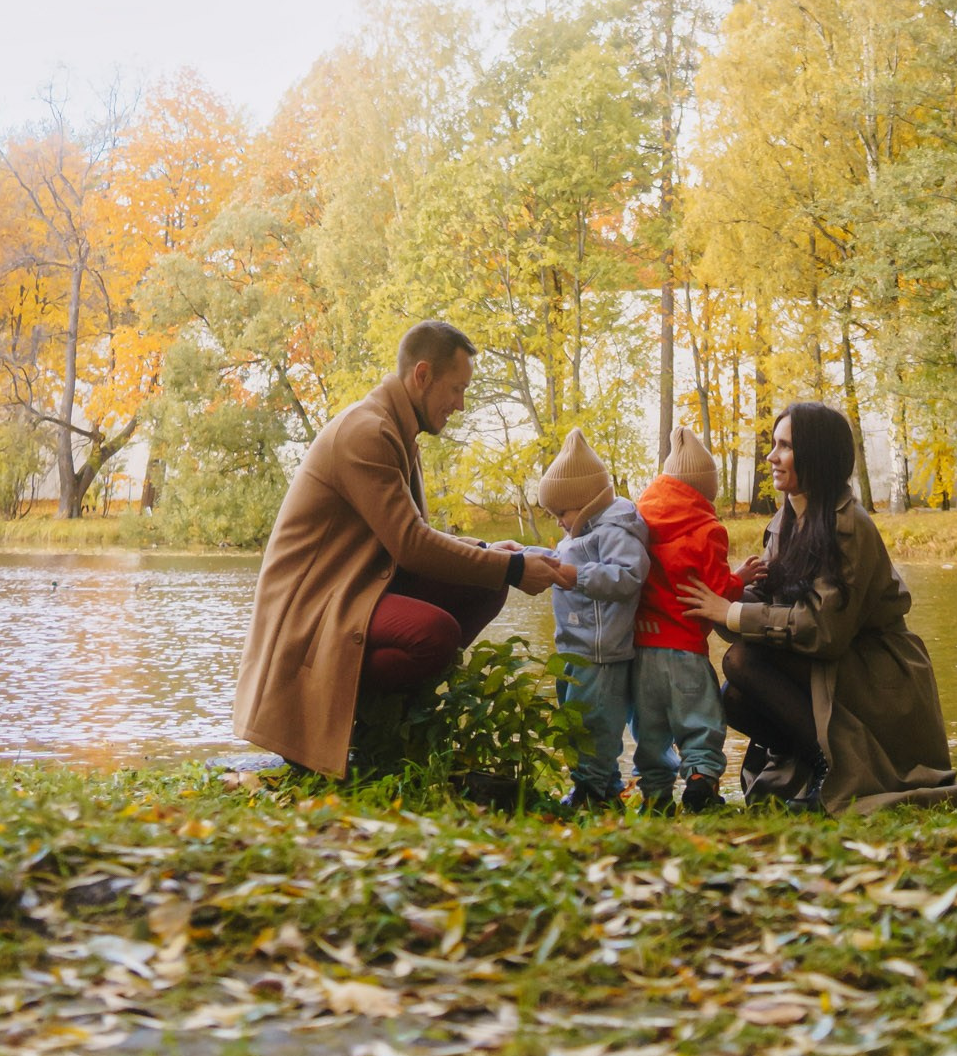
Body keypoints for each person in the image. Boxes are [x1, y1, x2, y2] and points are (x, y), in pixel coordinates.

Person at [233, 319, 571, 776]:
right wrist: (511, 567)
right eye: (456, 389)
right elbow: (411, 546)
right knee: (434, 634)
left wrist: (492, 552)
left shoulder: (395, 429)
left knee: (486, 587)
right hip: (313, 609)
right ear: (422, 375)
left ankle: (386, 729)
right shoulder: (366, 432)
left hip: (356, 588)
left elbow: (411, 534)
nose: (461, 404)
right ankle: (350, 728)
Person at [681, 400, 957, 813]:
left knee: (741, 661)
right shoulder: (785, 519)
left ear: (816, 455)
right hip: (828, 662)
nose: (771, 456)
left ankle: (832, 770)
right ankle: (812, 765)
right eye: (774, 444)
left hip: (871, 670)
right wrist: (720, 592)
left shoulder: (848, 525)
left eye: (785, 446)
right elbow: (770, 603)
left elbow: (825, 631)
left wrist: (731, 612)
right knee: (731, 698)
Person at [538, 428, 650, 813]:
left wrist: (579, 577)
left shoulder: (615, 529)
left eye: (562, 513)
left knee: (595, 724)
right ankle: (605, 788)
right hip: (575, 647)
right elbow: (562, 558)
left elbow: (630, 575)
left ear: (586, 504)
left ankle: (592, 791)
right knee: (575, 719)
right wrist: (525, 554)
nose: (559, 522)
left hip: (602, 652)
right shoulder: (579, 533)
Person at [631, 422, 741, 811]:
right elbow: (719, 592)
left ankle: (656, 796)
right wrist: (742, 579)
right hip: (685, 653)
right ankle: (700, 782)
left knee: (650, 732)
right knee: (701, 723)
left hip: (641, 653)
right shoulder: (707, 530)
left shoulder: (638, 523)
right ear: (703, 491)